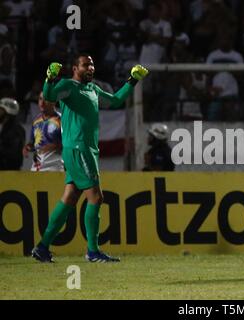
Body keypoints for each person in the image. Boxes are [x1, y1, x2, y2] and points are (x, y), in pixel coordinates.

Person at [31, 54, 148, 263]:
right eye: (86, 65)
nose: (91, 68)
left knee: (69, 198)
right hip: (78, 148)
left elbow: (115, 101)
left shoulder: (92, 90)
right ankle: (92, 251)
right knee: (96, 197)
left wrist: (132, 80)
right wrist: (50, 79)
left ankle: (42, 247)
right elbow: (49, 96)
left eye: (92, 64)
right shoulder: (68, 86)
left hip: (87, 149)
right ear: (75, 68)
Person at [22, 92, 63, 172]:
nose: (42, 102)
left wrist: (55, 145)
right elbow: (34, 144)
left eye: (46, 100)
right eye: (40, 99)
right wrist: (28, 147)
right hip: (36, 167)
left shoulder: (62, 120)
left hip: (55, 167)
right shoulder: (36, 121)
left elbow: (69, 144)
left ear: (54, 102)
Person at [0, 97, 25, 170]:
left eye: (1, 109)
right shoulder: (4, 127)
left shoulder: (16, 130)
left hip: (9, 172)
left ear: (8, 111)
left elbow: (14, 153)